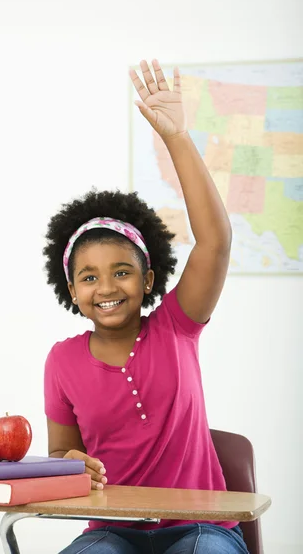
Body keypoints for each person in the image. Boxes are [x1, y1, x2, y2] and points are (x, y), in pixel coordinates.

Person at [43, 60, 248, 554]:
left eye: (122, 271)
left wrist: (176, 137)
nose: (106, 286)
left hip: (203, 529)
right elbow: (59, 453)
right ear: (73, 291)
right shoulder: (62, 360)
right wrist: (72, 462)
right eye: (88, 277)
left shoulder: (177, 327)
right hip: (111, 531)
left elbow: (215, 242)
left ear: (148, 279)